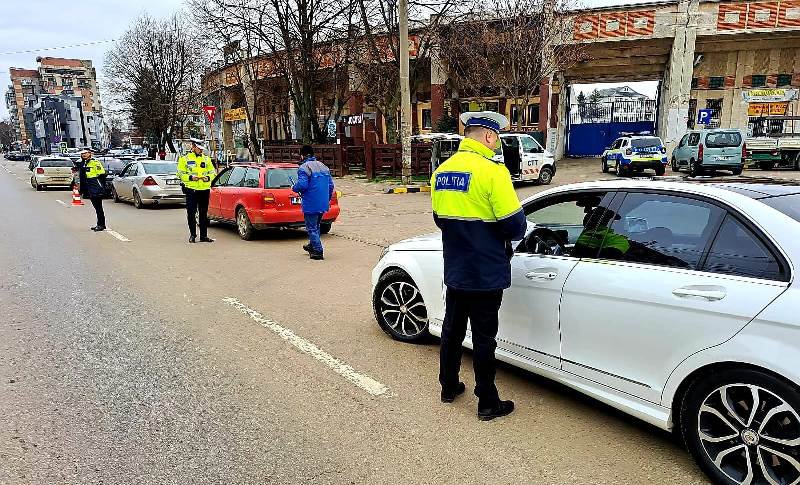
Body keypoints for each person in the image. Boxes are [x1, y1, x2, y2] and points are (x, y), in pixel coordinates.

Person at [431, 111, 527, 421]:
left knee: (452, 329)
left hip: (456, 268)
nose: (497, 142)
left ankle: (448, 386)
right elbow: (515, 227)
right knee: (484, 338)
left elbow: (440, 220)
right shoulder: (492, 172)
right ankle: (487, 401)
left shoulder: (442, 172)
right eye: (496, 137)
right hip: (486, 272)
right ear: (488, 136)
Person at [292, 145, 334, 261]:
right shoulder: (324, 166)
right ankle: (312, 244)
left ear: (302, 155)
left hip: (311, 203)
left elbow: (302, 185)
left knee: (311, 227)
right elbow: (331, 186)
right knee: (316, 226)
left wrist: (294, 188)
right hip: (322, 203)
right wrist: (327, 199)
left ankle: (318, 251)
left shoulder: (304, 168)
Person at [177, 138, 216, 243]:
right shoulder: (184, 159)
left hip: (204, 190)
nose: (201, 151)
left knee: (203, 214)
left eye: (202, 149)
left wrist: (208, 178)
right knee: (191, 213)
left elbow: (213, 172)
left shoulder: (206, 159)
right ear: (193, 147)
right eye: (199, 149)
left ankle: (204, 236)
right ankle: (193, 235)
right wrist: (190, 178)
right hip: (191, 190)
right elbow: (180, 174)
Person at [75, 148, 107, 232]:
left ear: (90, 154)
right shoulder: (83, 163)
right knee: (96, 208)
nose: (84, 155)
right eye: (82, 154)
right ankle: (99, 224)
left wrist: (101, 187)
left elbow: (102, 175)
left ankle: (101, 225)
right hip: (89, 187)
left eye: (85, 153)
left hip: (95, 186)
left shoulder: (95, 162)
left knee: (99, 207)